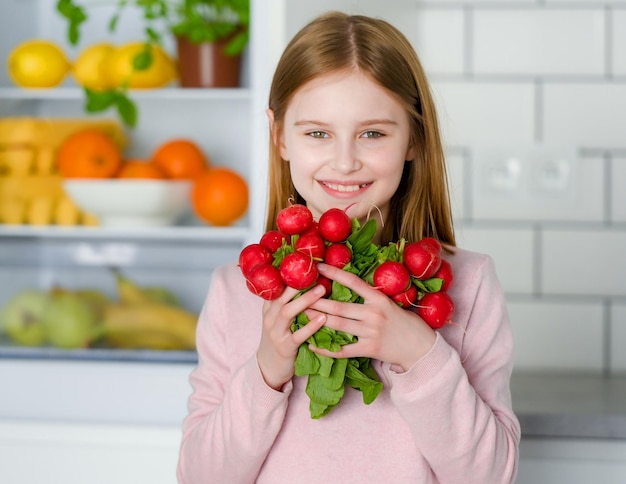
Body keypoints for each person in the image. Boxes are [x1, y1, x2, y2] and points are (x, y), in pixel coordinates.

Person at [177, 11, 520, 484]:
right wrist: (266, 371)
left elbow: (490, 475)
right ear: (279, 136)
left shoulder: (471, 285)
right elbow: (200, 477)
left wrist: (420, 354)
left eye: (373, 133)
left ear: (414, 137)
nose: (344, 161)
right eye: (317, 133)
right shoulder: (236, 292)